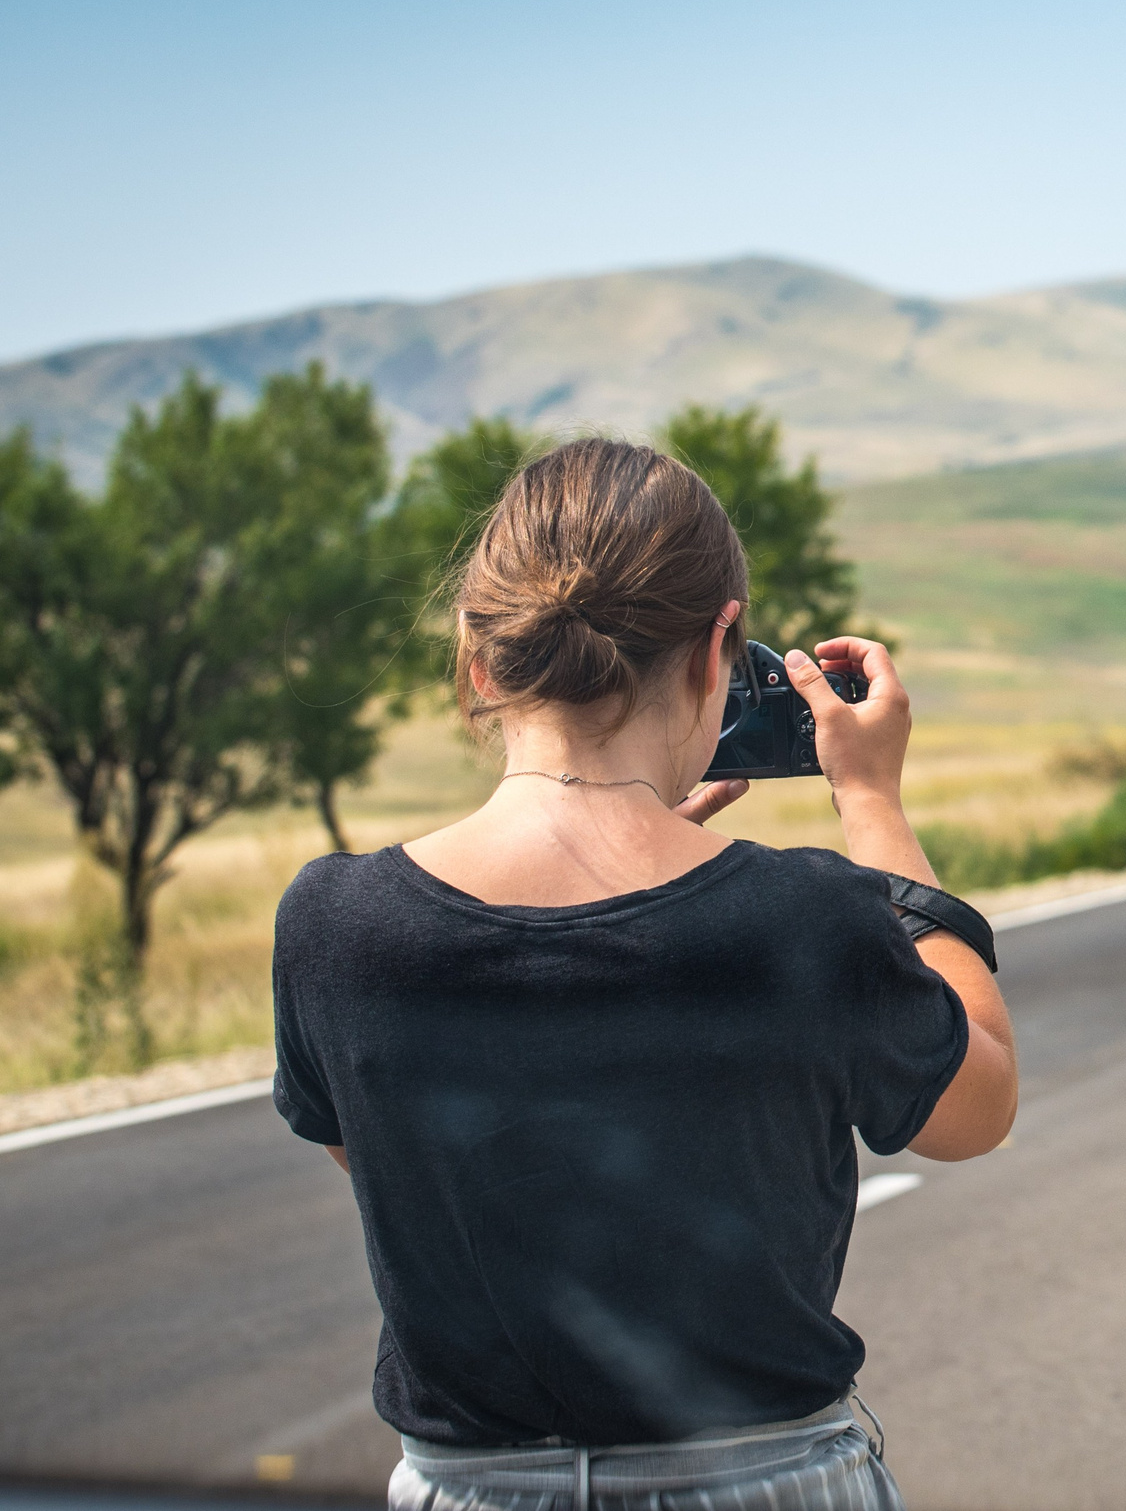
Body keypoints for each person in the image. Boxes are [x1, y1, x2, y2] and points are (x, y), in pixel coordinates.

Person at [269, 437, 1016, 1511]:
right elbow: (976, 1106)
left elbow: (396, 1155)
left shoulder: (333, 922)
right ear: (721, 648)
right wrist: (874, 803)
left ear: (481, 660)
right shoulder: (804, 916)